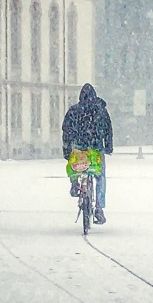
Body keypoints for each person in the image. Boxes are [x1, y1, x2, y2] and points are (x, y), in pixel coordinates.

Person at [62, 83, 113, 224]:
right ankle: (99, 208)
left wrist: (67, 150)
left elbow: (66, 131)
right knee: (100, 176)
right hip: (95, 149)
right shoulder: (101, 110)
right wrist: (108, 146)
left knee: (74, 167)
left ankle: (74, 184)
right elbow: (108, 129)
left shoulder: (73, 111)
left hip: (79, 148)